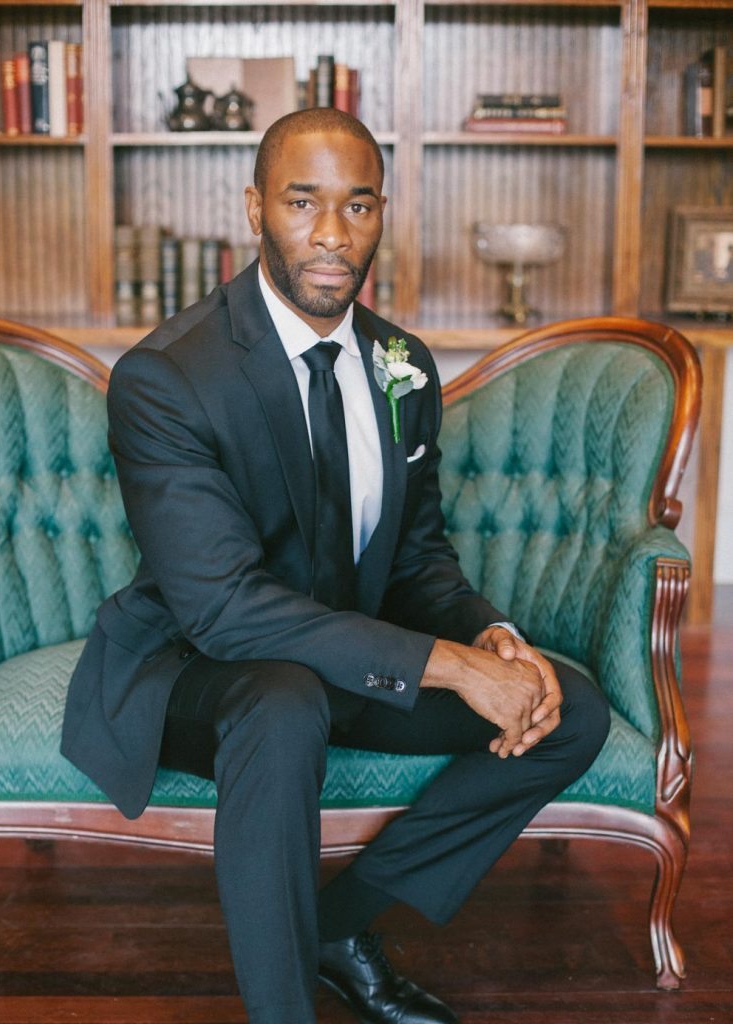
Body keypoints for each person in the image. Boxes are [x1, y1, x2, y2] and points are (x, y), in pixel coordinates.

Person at [61, 108, 610, 1024]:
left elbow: (417, 558)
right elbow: (224, 610)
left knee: (568, 710)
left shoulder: (402, 364)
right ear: (255, 209)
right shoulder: (168, 377)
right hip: (197, 669)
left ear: (381, 213)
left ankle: (333, 925)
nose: (331, 233)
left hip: (353, 657)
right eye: (301, 202)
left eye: (357, 205)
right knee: (281, 702)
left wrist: (489, 638)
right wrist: (447, 666)